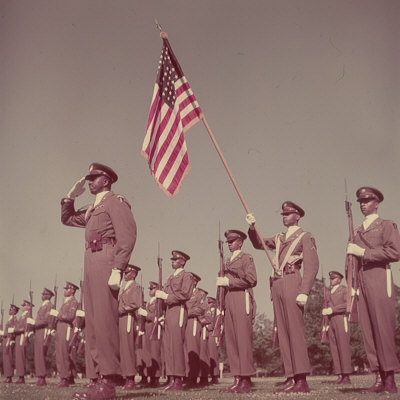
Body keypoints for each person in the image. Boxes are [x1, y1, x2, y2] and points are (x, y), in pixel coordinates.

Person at [61, 162, 137, 400]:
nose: (90, 182)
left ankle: (108, 382)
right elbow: (68, 219)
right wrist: (70, 197)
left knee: (104, 320)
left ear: (106, 180)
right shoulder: (94, 208)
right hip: (90, 260)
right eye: (89, 178)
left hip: (106, 258)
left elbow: (127, 235)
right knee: (92, 323)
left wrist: (118, 268)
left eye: (94, 178)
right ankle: (97, 380)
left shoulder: (115, 201)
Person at [246, 201, 319, 393]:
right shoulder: (279, 238)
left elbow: (312, 265)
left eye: (288, 214)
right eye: (283, 214)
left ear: (297, 216)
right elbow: (258, 243)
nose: (284, 216)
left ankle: (301, 379)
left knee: (295, 330)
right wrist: (252, 228)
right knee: (283, 332)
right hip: (277, 283)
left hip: (292, 279)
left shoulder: (305, 236)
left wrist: (304, 291)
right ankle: (290, 376)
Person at [346, 186, 400, 393]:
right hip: (361, 280)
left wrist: (364, 252)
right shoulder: (357, 230)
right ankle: (377, 376)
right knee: (368, 330)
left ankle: (390, 379)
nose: (363, 204)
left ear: (377, 203)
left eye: (367, 200)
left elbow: (395, 252)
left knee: (383, 329)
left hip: (378, 276)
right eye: (361, 201)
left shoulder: (386, 225)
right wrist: (352, 285)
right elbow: (350, 261)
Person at [216, 229, 257, 393]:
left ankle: (246, 379)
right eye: (228, 242)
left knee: (242, 339)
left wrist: (229, 281)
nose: (230, 244)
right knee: (232, 340)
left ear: (240, 242)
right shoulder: (226, 261)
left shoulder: (246, 258)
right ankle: (237, 378)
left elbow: (251, 279)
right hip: (229, 300)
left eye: (232, 241)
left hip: (241, 297)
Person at [155, 250, 196, 391]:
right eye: (172, 259)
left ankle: (178, 378)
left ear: (182, 262)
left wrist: (166, 297)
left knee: (177, 345)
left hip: (178, 309)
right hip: (169, 311)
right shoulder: (170, 278)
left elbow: (185, 294)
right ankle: (172, 378)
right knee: (169, 345)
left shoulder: (187, 276)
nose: (172, 261)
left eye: (175, 259)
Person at [322, 271, 352, 384]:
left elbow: (347, 305)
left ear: (339, 279)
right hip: (331, 321)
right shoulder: (329, 293)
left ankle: (346, 375)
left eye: (334, 279)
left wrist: (333, 309)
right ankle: (339, 374)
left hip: (341, 319)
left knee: (343, 348)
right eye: (331, 279)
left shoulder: (344, 290)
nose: (332, 280)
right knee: (334, 348)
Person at [118, 264, 142, 390]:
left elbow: (136, 303)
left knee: (128, 349)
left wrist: (121, 309)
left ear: (133, 274)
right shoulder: (124, 287)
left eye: (127, 273)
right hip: (121, 318)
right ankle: (125, 377)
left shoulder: (135, 286)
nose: (125, 275)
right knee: (123, 349)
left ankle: (130, 379)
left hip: (128, 317)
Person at [184, 273, 206, 388]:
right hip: (183, 322)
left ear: (195, 282)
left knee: (193, 350)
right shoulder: (184, 293)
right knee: (185, 351)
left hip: (192, 321)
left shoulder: (199, 294)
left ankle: (193, 378)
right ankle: (186, 376)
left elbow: (201, 309)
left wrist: (187, 312)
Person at [55, 282, 79, 387]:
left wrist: (58, 315)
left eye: (67, 289)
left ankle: (65, 377)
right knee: (60, 352)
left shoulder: (73, 302)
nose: (64, 290)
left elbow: (70, 316)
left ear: (72, 290)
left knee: (63, 352)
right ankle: (65, 375)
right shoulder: (66, 302)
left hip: (66, 327)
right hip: (61, 326)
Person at [33, 288, 55, 386]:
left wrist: (34, 323)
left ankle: (42, 377)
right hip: (38, 330)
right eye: (42, 294)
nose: (42, 295)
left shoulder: (50, 306)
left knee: (41, 354)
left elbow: (46, 320)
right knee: (38, 353)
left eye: (44, 294)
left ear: (49, 296)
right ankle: (39, 376)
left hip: (43, 330)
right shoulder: (43, 306)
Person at [143, 281, 162, 387]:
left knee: (155, 352)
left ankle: (156, 377)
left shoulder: (159, 301)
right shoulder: (149, 302)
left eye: (152, 289)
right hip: (147, 327)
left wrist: (146, 314)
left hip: (154, 327)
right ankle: (150, 376)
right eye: (149, 289)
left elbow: (156, 316)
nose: (150, 291)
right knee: (148, 353)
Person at [14, 300, 33, 384]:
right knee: (18, 356)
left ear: (28, 306)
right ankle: (19, 375)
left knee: (21, 356)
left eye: (24, 305)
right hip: (18, 336)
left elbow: (27, 327)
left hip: (22, 336)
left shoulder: (28, 315)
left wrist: (16, 330)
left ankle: (21, 377)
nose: (22, 306)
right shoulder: (23, 315)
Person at [2, 304, 19, 383]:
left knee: (8, 358)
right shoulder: (9, 319)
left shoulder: (14, 320)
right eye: (10, 309)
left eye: (11, 309)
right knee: (5, 358)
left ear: (14, 311)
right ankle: (7, 376)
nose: (10, 310)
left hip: (9, 339)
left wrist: (12, 340)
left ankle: (9, 377)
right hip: (5, 339)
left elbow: (14, 330)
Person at [206, 297, 219, 385]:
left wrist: (217, 336)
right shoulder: (208, 311)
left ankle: (215, 376)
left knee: (212, 355)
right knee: (205, 355)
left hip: (212, 333)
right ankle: (207, 375)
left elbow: (218, 325)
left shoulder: (215, 312)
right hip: (205, 333)